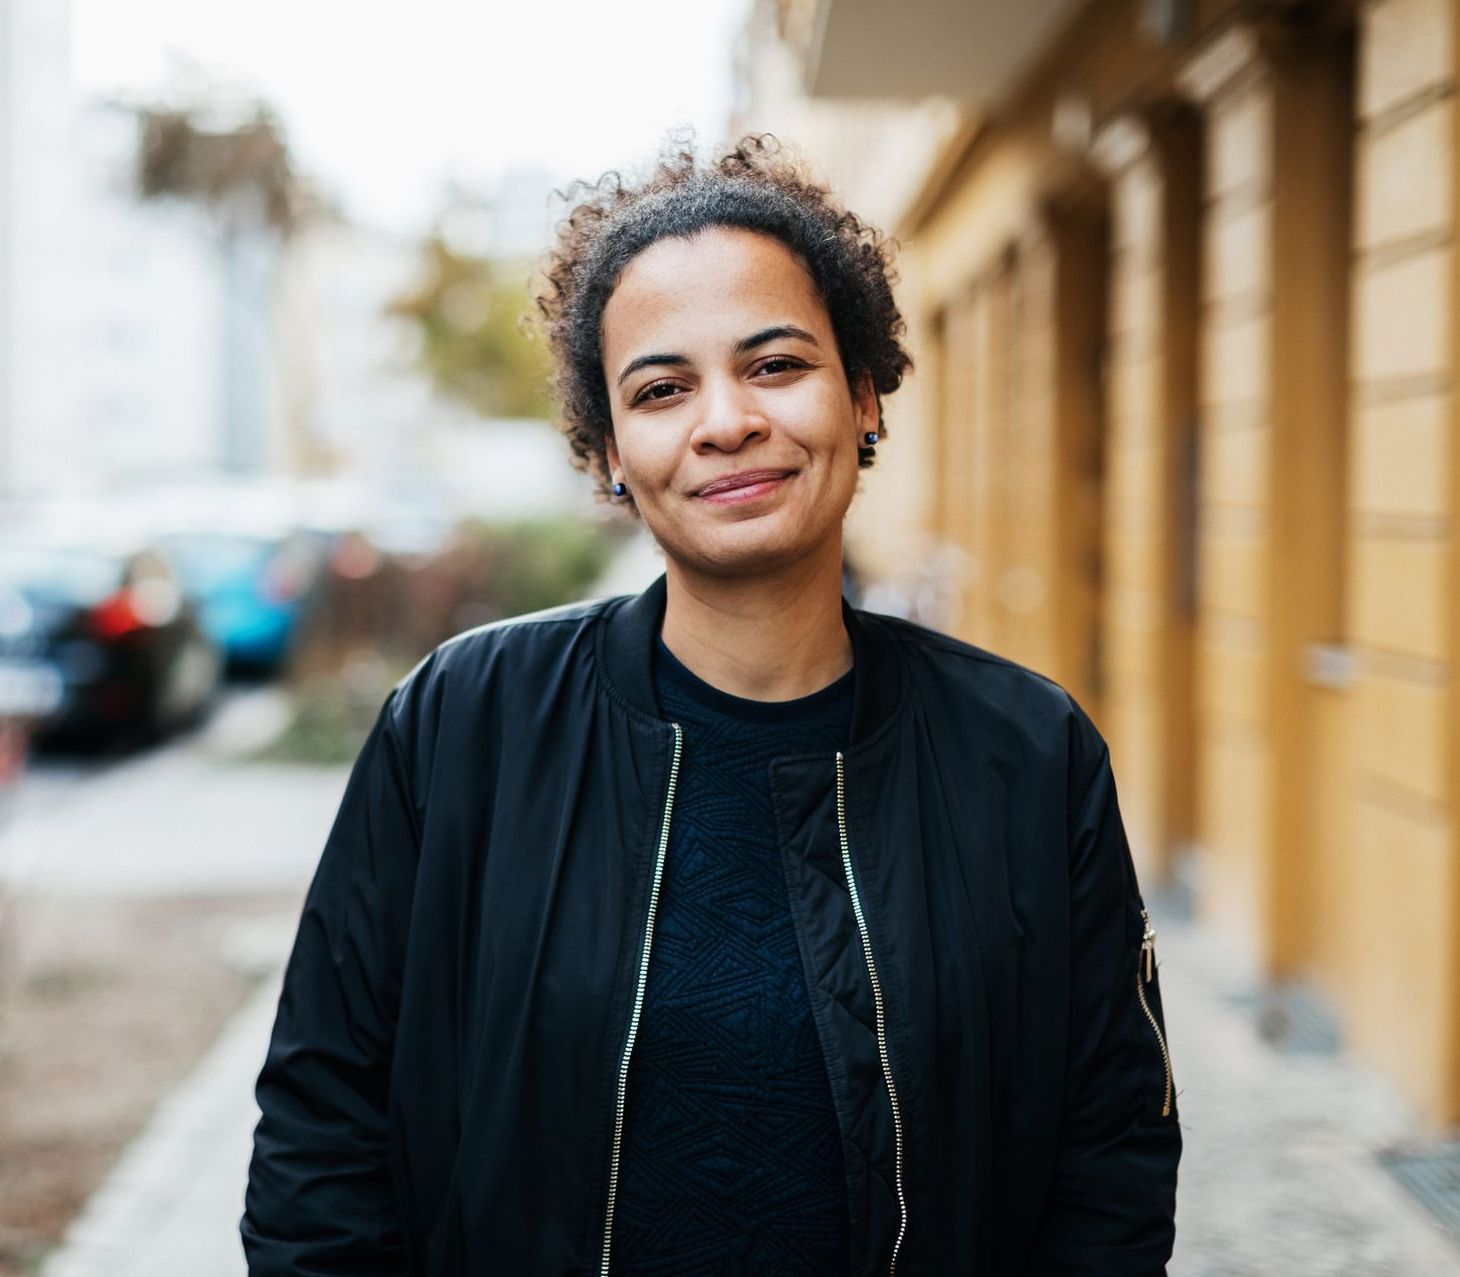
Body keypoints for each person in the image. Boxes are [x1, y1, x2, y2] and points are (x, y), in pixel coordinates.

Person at [242, 134, 1181, 1276]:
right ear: (608, 455)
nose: (725, 419)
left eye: (775, 364)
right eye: (661, 388)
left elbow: (1110, 1157)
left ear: (865, 394)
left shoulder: (1025, 754)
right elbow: (321, 1132)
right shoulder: (460, 727)